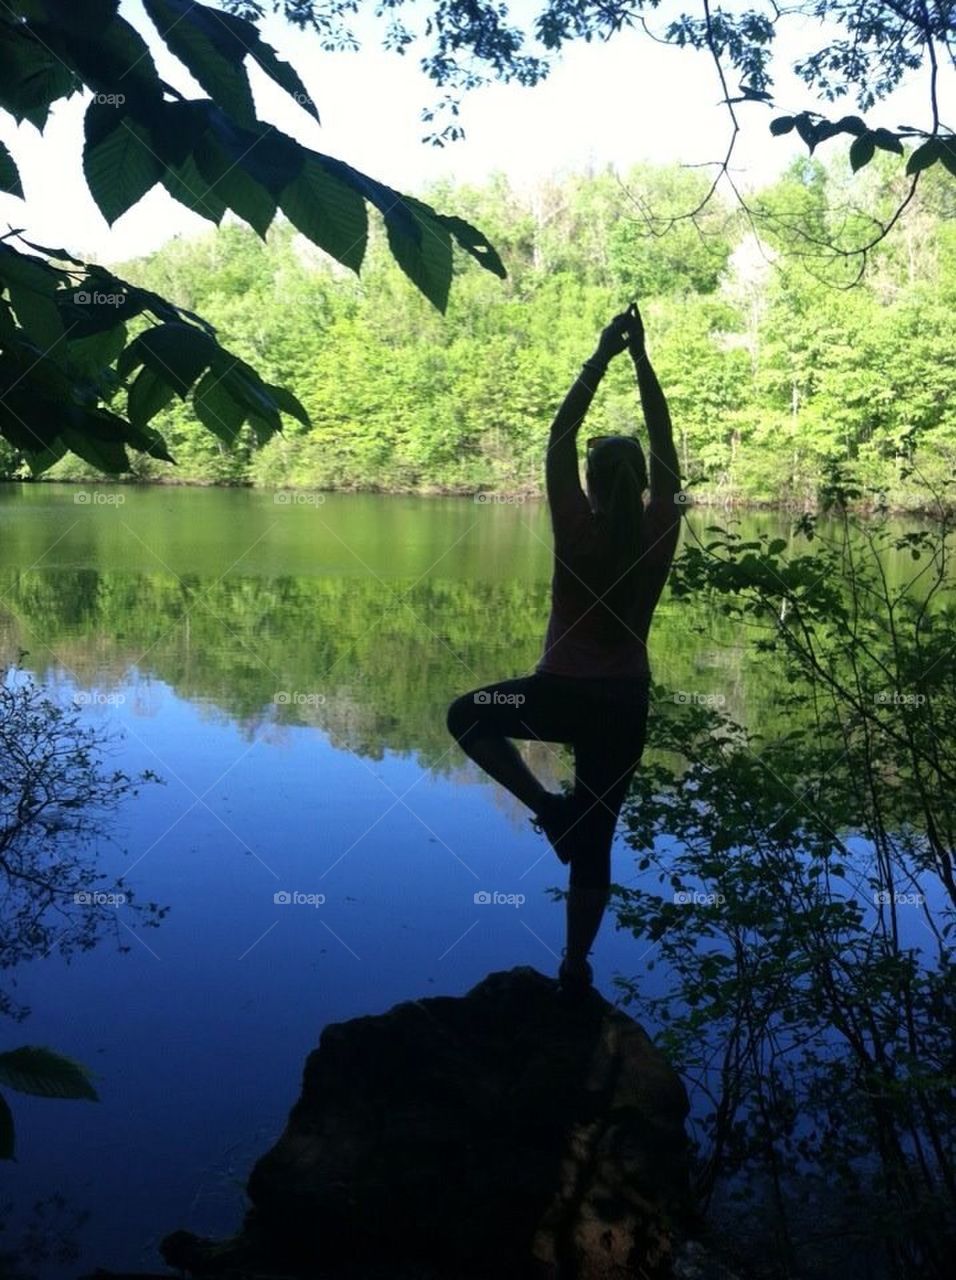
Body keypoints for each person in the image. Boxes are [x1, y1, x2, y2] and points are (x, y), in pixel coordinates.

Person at [446, 302, 682, 995]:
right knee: (598, 843)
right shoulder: (659, 527)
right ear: (641, 481)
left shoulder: (576, 525)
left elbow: (558, 436)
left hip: (557, 694)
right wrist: (641, 361)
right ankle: (575, 965)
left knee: (468, 716)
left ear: (589, 479)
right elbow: (667, 448)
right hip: (622, 703)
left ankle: (549, 810)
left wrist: (604, 354)